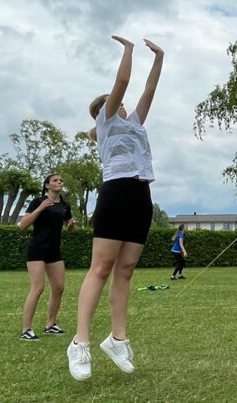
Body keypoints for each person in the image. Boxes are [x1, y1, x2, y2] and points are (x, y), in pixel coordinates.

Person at [67, 36, 163, 381]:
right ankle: (79, 343)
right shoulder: (107, 124)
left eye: (120, 102)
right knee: (102, 267)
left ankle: (117, 339)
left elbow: (148, 88)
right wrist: (128, 50)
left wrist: (159, 58)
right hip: (115, 193)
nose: (120, 103)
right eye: (112, 102)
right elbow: (121, 83)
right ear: (101, 112)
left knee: (126, 270)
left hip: (141, 196)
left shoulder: (136, 123)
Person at [18, 174, 75, 341]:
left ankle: (50, 325)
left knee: (58, 287)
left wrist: (70, 225)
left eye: (61, 180)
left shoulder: (65, 205)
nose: (59, 182)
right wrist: (41, 207)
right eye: (55, 180)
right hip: (37, 249)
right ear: (47, 185)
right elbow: (22, 225)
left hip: (54, 251)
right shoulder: (38, 201)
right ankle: (26, 330)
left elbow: (68, 227)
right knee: (38, 288)